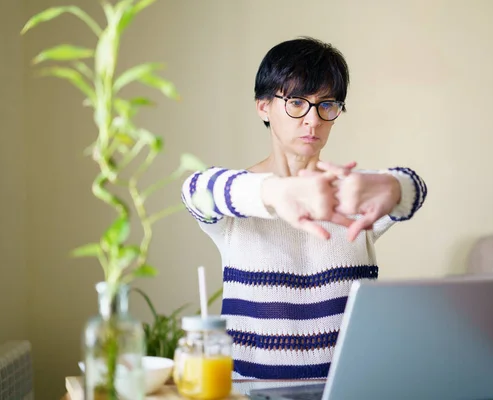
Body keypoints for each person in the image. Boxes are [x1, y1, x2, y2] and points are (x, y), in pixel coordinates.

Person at [181, 36, 427, 380]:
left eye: (327, 104)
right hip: (251, 391)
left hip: (346, 387)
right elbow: (194, 190)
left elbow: (413, 191)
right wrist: (274, 192)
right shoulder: (241, 196)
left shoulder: (351, 193)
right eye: (297, 102)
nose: (313, 120)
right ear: (263, 106)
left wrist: (394, 185)